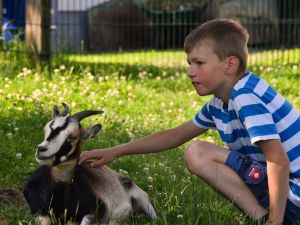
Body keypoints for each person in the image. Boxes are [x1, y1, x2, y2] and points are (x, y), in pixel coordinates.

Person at [79, 19, 300, 225]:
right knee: (197, 153)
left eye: (199, 63)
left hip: (295, 197)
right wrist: (116, 151)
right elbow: (174, 136)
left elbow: (278, 160)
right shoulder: (219, 103)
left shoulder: (245, 97)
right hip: (284, 193)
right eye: (189, 63)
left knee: (199, 152)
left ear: (230, 65)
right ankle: (261, 218)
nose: (190, 72)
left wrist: (276, 221)